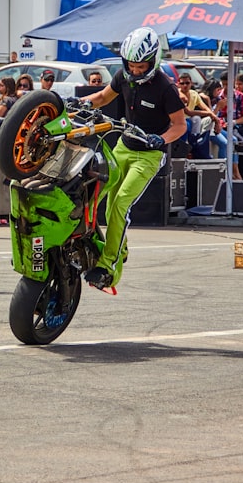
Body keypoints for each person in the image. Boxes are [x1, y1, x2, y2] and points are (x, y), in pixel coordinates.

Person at [78, 27, 186, 290]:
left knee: (120, 204)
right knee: (98, 197)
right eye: (132, 65)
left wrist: (162, 139)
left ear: (153, 60)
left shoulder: (165, 88)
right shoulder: (123, 76)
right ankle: (117, 247)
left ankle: (109, 268)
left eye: (141, 66)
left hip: (148, 156)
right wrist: (81, 103)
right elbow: (103, 96)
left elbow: (180, 125)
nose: (136, 70)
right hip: (123, 148)